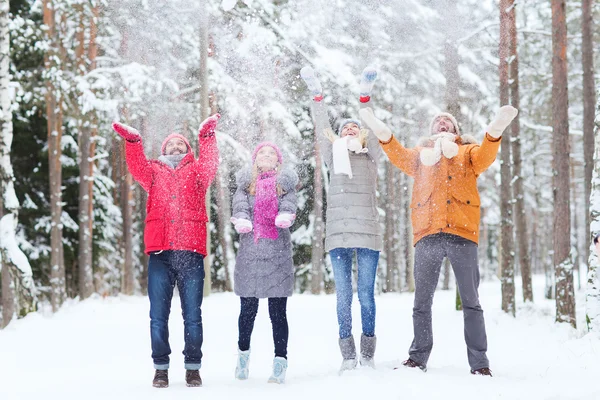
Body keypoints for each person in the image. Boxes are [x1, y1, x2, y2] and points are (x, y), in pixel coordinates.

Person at [359, 103, 518, 377]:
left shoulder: (467, 153)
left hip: (462, 234)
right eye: (438, 122)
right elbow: (396, 153)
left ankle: (479, 363)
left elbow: (486, 156)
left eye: (447, 122)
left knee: (471, 301)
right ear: (431, 131)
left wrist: (495, 131)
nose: (442, 124)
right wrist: (379, 129)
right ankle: (418, 357)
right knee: (421, 302)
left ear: (456, 130)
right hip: (428, 234)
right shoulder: (420, 156)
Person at [111, 114, 220, 388]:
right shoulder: (153, 172)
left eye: (180, 144)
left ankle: (193, 367)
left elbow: (210, 163)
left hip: (190, 252)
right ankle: (161, 369)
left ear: (188, 149)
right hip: (160, 254)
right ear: (163, 150)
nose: (175, 147)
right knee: (158, 316)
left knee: (192, 316)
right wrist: (133, 141)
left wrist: (206, 136)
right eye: (170, 145)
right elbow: (135, 166)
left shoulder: (196, 172)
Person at [301, 66, 382, 372]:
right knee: (343, 298)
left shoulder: (370, 156)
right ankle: (348, 354)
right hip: (337, 235)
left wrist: (365, 96)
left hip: (368, 235)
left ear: (360, 134)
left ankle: (368, 351)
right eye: (345, 128)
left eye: (353, 128)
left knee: (366, 296)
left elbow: (372, 125)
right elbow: (320, 122)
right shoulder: (333, 156)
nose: (349, 130)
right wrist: (316, 93)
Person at [230, 142, 298, 384]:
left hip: (278, 254)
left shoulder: (286, 185)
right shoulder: (244, 186)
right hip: (250, 252)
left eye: (271, 153)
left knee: (277, 313)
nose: (266, 156)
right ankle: (242, 358)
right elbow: (239, 207)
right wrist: (240, 220)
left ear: (278, 161)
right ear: (255, 159)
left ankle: (280, 362)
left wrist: (286, 215)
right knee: (247, 311)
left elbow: (290, 205)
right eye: (262, 153)